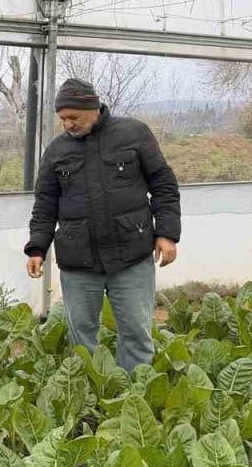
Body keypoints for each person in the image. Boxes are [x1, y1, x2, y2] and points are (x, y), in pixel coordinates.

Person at [25, 78, 181, 371]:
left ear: (93, 107)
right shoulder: (57, 151)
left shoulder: (134, 134)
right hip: (78, 261)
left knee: (136, 332)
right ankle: (90, 394)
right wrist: (37, 248)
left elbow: (163, 185)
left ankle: (133, 394)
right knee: (81, 336)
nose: (68, 124)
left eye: (74, 117)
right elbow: (45, 204)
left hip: (131, 256)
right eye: (62, 119)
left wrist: (167, 234)